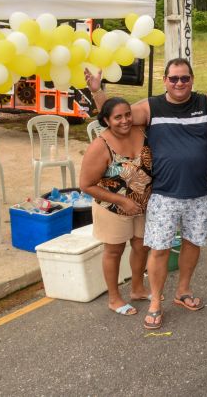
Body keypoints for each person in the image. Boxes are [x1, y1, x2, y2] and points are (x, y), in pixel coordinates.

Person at [85, 58, 207, 330]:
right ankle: (156, 301)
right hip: (164, 194)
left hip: (201, 194)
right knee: (159, 250)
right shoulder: (151, 106)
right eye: (174, 79)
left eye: (184, 78)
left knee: (192, 244)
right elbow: (115, 116)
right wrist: (97, 91)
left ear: (192, 79)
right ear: (165, 81)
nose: (179, 83)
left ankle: (183, 291)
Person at [79, 97, 151, 316]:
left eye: (128, 114)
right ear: (107, 120)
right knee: (114, 251)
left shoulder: (142, 131)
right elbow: (86, 185)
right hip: (112, 207)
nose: (125, 120)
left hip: (142, 204)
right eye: (117, 117)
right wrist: (122, 201)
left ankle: (137, 289)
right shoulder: (101, 145)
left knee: (141, 246)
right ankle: (114, 298)